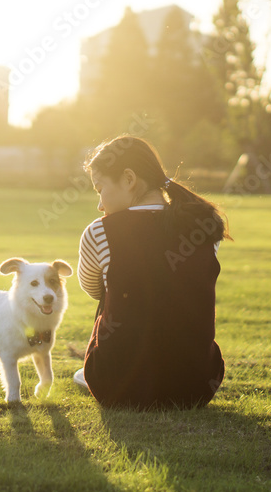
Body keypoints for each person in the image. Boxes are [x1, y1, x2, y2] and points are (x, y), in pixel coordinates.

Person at [74, 134, 229, 409]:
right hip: (195, 387)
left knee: (110, 293)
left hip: (118, 387)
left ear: (129, 179)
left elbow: (93, 288)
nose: (99, 204)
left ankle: (104, 370)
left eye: (99, 189)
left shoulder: (100, 231)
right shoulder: (206, 225)